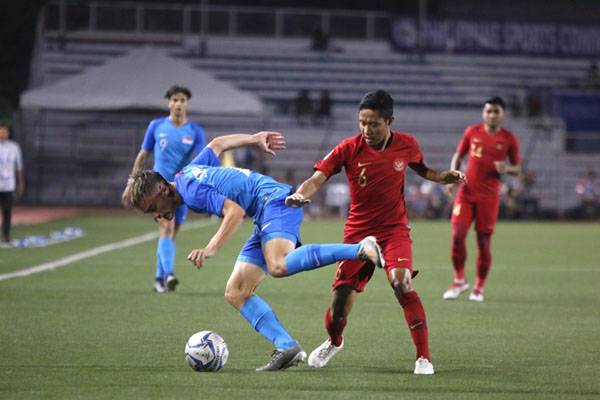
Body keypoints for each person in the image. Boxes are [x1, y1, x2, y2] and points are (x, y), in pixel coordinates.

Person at [126, 131, 385, 372]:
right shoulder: (186, 174)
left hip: (274, 202)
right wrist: (254, 138)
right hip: (263, 212)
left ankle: (360, 248)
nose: (157, 215)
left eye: (153, 208)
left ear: (162, 189)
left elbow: (234, 212)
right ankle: (286, 346)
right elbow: (218, 144)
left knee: (278, 265)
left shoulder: (190, 192)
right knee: (236, 291)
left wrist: (211, 248)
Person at [286, 90, 466, 375]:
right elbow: (317, 177)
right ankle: (334, 341)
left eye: (373, 124)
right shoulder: (348, 147)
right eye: (362, 123)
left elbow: (423, 169)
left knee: (401, 283)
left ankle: (423, 358)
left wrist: (443, 177)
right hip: (358, 236)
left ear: (389, 121)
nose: (366, 130)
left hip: (394, 231)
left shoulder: (407, 144)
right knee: (339, 310)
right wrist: (299, 195)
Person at [121, 85, 206, 293]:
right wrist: (132, 183)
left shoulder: (194, 131)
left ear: (187, 104)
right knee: (166, 229)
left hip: (181, 191)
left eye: (182, 100)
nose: (178, 104)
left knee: (171, 234)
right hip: (157, 190)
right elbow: (142, 155)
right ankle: (168, 274)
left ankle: (159, 278)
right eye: (175, 100)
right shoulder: (157, 126)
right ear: (169, 103)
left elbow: (204, 158)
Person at [443, 96, 521, 302]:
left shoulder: (509, 139)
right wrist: (452, 176)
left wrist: (508, 168)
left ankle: (479, 288)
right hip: (467, 192)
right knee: (457, 235)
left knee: (483, 243)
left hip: (489, 196)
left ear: (502, 114)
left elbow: (517, 168)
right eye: (488, 111)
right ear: (483, 113)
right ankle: (459, 280)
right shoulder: (472, 132)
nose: (492, 115)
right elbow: (458, 155)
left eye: (496, 111)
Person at [0, 124, 24, 247]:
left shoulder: (14, 147)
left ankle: (6, 237)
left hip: (9, 185)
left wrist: (20, 183)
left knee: (7, 212)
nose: (3, 134)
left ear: (8, 133)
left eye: (5, 132)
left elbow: (19, 167)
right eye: (1, 132)